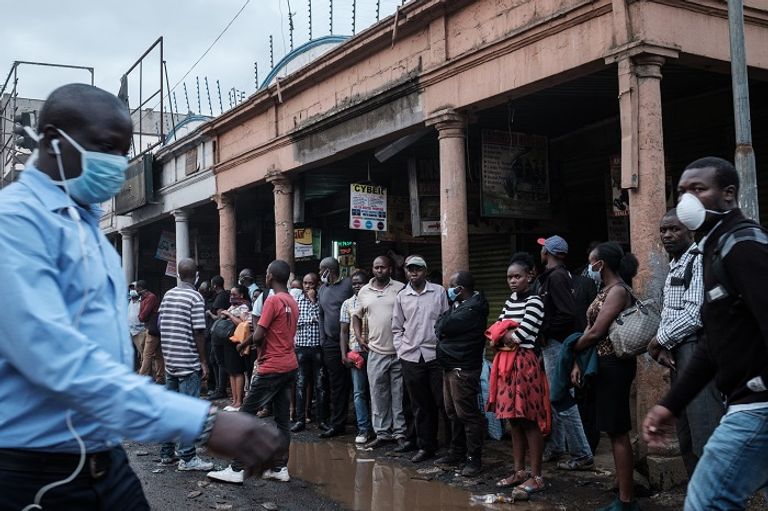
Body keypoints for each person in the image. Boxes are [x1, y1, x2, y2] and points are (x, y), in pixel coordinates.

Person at [0, 84, 282, 510]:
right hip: (36, 472)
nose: (117, 164)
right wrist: (205, 423)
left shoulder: (87, 229)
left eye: (124, 151)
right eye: (106, 148)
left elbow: (107, 359)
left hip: (104, 460)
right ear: (56, 142)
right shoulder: (15, 225)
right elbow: (58, 362)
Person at [644, 157, 768, 510]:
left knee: (706, 501)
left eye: (699, 189)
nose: (688, 199)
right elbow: (715, 342)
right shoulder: (714, 249)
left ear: (728, 195)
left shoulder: (743, 245)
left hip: (757, 405)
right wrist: (670, 404)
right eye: (683, 190)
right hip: (747, 403)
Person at [646, 208, 724, 477]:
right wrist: (665, 344)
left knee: (704, 428)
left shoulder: (698, 260)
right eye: (663, 230)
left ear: (690, 230)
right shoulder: (675, 264)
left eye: (674, 229)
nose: (667, 235)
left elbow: (695, 314)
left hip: (696, 350)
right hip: (680, 352)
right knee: (686, 434)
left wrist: (659, 340)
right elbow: (671, 311)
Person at [208, 260, 299, 485]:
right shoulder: (292, 301)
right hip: (289, 365)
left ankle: (237, 468)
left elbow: (259, 335)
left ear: (270, 276)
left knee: (245, 416)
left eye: (267, 273)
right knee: (282, 421)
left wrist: (242, 344)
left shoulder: (272, 300)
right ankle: (280, 468)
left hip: (272, 366)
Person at [572, 242, 639, 511]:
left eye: (592, 262)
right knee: (613, 431)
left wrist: (571, 348)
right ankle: (622, 492)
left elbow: (597, 331)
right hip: (601, 364)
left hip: (614, 365)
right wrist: (577, 360)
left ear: (602, 264)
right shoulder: (605, 290)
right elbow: (590, 327)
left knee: (618, 431)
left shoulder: (619, 291)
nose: (589, 267)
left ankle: (626, 501)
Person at [488, 253, 550, 493]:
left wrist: (502, 334)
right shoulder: (511, 299)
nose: (512, 281)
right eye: (509, 277)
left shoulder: (535, 301)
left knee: (529, 420)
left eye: (517, 276)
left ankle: (537, 476)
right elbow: (496, 331)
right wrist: (502, 334)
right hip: (506, 363)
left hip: (524, 363)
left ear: (530, 276)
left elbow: (518, 337)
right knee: (512, 420)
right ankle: (519, 471)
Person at [536, 235, 593, 469]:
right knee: (556, 396)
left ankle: (582, 453)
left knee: (561, 397)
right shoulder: (559, 276)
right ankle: (558, 446)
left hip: (557, 344)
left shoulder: (556, 277)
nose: (540, 252)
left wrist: (545, 330)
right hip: (557, 344)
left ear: (547, 253)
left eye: (542, 249)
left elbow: (567, 314)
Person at [392, 255, 450, 463]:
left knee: (442, 403)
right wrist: (401, 350)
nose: (413, 272)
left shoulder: (438, 292)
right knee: (419, 404)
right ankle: (426, 447)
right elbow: (397, 327)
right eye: (410, 269)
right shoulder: (402, 296)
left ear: (425, 271)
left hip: (434, 355)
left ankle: (450, 447)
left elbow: (446, 321)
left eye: (417, 269)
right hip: (411, 357)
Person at [157, 258, 214, 471]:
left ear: (179, 275)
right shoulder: (196, 297)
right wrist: (203, 361)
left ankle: (166, 452)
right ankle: (187, 458)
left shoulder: (169, 294)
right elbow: (199, 331)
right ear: (196, 275)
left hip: (171, 359)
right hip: (188, 362)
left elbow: (160, 323)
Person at [434, 271, 489, 476]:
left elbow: (444, 325)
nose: (448, 290)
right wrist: (443, 325)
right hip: (450, 366)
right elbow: (439, 325)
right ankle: (457, 451)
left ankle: (474, 459)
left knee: (467, 414)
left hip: (463, 368)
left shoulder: (473, 308)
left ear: (459, 289)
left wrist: (443, 326)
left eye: (451, 286)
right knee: (452, 412)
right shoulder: (458, 306)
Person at [352, 256, 408, 450]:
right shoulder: (364, 291)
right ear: (372, 269)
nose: (379, 271)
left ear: (390, 269)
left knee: (398, 394)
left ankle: (399, 433)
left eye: (383, 267)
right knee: (377, 394)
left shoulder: (400, 288)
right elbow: (356, 317)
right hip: (375, 351)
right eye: (376, 267)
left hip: (399, 351)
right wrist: (359, 338)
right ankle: (382, 434)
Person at [317, 257, 354, 438]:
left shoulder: (347, 285)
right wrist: (323, 339)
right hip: (330, 344)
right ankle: (338, 422)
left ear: (328, 270)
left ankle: (360, 421)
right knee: (336, 384)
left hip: (350, 342)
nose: (319, 274)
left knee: (357, 384)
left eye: (320, 270)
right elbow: (321, 315)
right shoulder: (323, 289)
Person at [340, 269, 374, 445]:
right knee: (359, 392)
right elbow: (343, 330)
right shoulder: (347, 304)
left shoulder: (374, 300)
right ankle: (364, 429)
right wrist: (343, 354)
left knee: (376, 392)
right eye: (354, 283)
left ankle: (378, 428)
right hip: (355, 352)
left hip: (376, 350)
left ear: (367, 283)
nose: (356, 286)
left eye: (359, 282)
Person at [291, 272, 327, 433]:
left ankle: (322, 421)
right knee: (300, 384)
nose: (307, 286)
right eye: (305, 283)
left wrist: (313, 302)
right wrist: (309, 320)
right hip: (301, 348)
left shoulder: (321, 301)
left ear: (317, 284)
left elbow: (323, 321)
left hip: (317, 348)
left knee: (320, 385)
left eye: (310, 283)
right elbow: (294, 322)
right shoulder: (297, 301)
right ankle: (300, 420)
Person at [214, 285, 252, 411]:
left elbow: (242, 323)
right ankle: (234, 401)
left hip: (237, 343)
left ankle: (239, 402)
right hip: (227, 342)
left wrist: (229, 315)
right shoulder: (233, 306)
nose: (231, 297)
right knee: (231, 371)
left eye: (234, 295)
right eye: (231, 295)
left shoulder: (244, 306)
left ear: (241, 295)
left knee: (237, 371)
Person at [207, 275, 231, 400]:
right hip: (221, 332)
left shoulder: (221, 297)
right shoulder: (224, 295)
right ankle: (219, 387)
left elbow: (220, 316)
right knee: (215, 360)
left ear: (215, 285)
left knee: (217, 360)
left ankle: (220, 388)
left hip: (219, 332)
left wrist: (209, 313)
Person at [137, 279, 164, 384]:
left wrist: (140, 316)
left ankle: (142, 377)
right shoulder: (144, 298)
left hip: (153, 330)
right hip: (153, 329)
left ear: (140, 288)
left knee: (147, 354)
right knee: (157, 355)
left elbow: (143, 315)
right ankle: (159, 377)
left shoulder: (150, 297)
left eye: (136, 289)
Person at [128, 281, 146, 371]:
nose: (132, 290)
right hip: (131, 331)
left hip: (141, 331)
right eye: (131, 288)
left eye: (134, 288)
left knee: (143, 353)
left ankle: (145, 373)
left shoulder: (143, 301)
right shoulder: (129, 300)